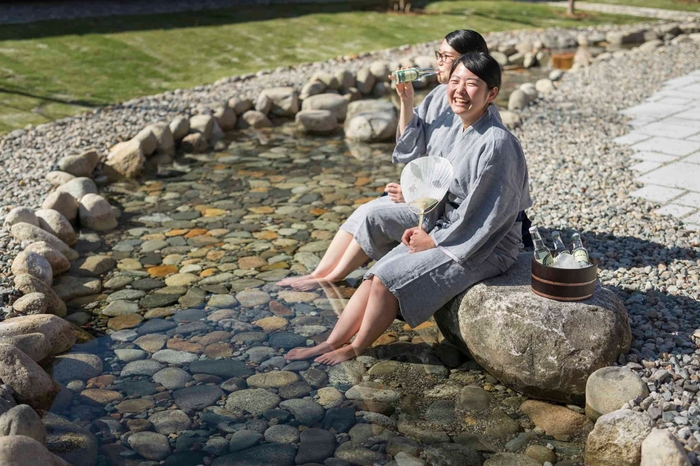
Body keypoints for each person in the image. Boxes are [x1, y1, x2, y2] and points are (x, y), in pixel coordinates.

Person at [285, 52, 532, 364]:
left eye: (471, 84)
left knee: (391, 280)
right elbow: (439, 184)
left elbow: (491, 214)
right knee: (375, 273)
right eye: (455, 81)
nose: (459, 90)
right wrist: (425, 224)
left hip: (485, 244)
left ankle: (356, 346)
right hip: (451, 229)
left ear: (491, 93)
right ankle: (331, 340)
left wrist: (435, 240)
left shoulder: (496, 143)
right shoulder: (461, 127)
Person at [277, 30, 491, 291]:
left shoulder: (473, 113)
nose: (438, 62)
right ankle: (319, 273)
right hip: (425, 198)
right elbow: (411, 149)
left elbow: (463, 182)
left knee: (373, 214)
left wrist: (416, 193)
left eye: (446, 56)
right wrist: (406, 100)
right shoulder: (439, 95)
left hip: (439, 212)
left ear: (468, 61)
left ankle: (329, 279)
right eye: (439, 55)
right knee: (361, 211)